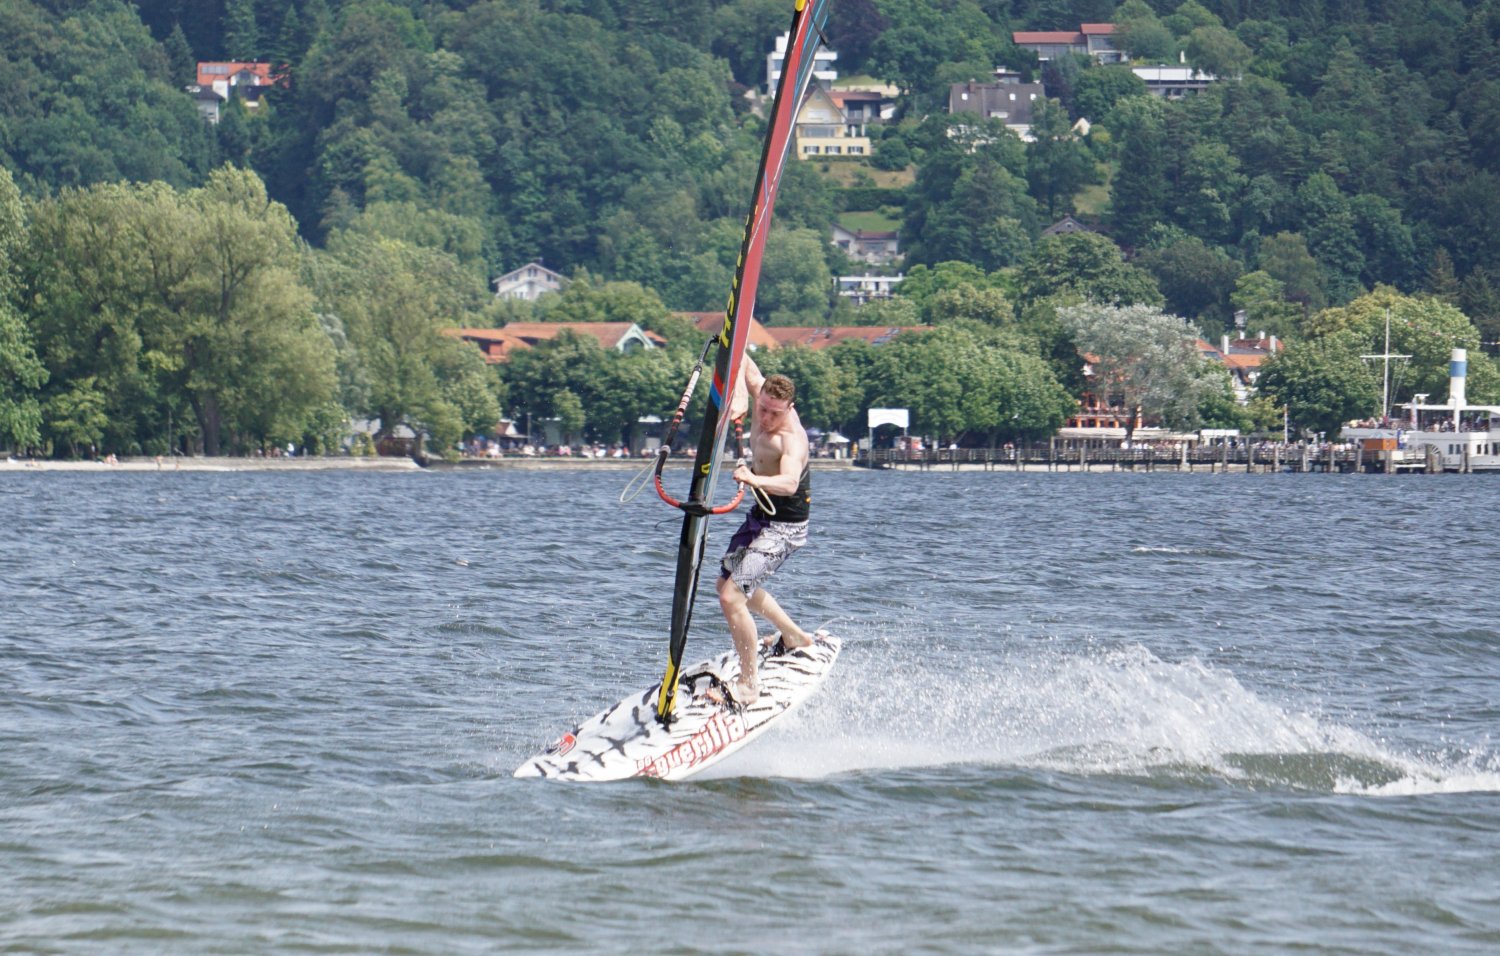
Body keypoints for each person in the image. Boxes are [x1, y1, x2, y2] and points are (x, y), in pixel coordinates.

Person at [714, 353, 815, 707]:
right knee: (723, 584)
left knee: (732, 597)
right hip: (761, 516)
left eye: (776, 412)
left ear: (790, 408)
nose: (767, 418)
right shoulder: (758, 398)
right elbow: (740, 354)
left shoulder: (792, 438)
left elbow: (787, 483)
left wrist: (751, 478)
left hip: (785, 527)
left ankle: (749, 685)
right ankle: (794, 636)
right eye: (763, 409)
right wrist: (740, 392)